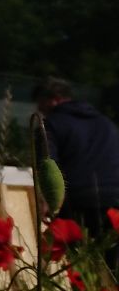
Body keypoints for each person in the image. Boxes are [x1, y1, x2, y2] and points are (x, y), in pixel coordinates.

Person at [33, 77, 119, 272]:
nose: (41, 111)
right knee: (114, 267)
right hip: (116, 201)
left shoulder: (50, 125)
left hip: (77, 204)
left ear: (53, 99)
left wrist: (46, 202)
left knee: (83, 271)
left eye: (42, 105)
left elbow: (47, 164)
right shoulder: (106, 123)